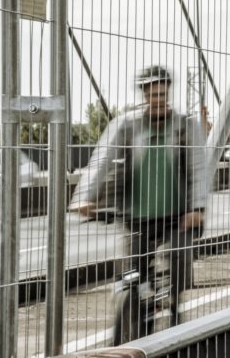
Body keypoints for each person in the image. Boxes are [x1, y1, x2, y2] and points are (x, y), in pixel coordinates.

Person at [70, 65, 207, 331]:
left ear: (168, 93)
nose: (157, 99)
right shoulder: (127, 125)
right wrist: (84, 197)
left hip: (176, 217)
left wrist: (197, 208)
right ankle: (138, 315)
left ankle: (174, 302)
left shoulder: (184, 126)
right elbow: (102, 159)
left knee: (179, 262)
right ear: (144, 95)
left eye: (162, 93)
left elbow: (199, 168)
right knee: (132, 277)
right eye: (152, 94)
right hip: (136, 217)